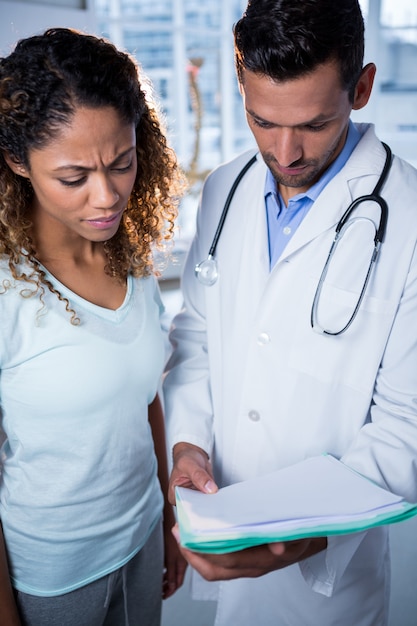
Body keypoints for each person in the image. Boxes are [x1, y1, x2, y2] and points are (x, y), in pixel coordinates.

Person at [163, 1, 417, 625]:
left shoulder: (410, 219)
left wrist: (300, 536)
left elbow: (407, 424)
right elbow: (196, 334)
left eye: (313, 123)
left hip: (330, 588)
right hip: (218, 528)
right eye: (261, 120)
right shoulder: (225, 189)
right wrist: (188, 443)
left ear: (361, 89)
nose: (284, 152)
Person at [0, 27, 187, 626]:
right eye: (74, 177)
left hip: (141, 542)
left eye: (123, 163)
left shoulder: (129, 260)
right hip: (52, 580)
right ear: (16, 162)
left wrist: (164, 513)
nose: (107, 197)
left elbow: (143, 400)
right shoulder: (7, 292)